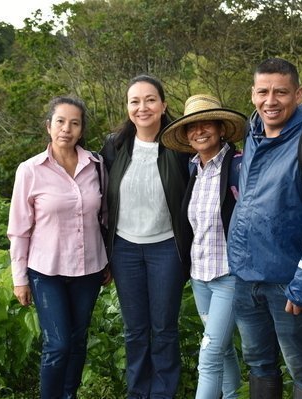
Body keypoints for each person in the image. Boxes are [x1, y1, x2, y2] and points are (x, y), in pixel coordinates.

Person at [226, 58, 302, 398]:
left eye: (280, 92)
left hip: (289, 281)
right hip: (246, 279)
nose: (271, 100)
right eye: (263, 92)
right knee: (259, 364)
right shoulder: (252, 134)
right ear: (252, 94)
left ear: (298, 93)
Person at [7, 95, 111, 399]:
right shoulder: (30, 170)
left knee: (78, 341)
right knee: (59, 344)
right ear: (49, 126)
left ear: (81, 129)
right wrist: (19, 278)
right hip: (46, 271)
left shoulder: (96, 165)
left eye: (74, 123)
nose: (67, 128)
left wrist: (108, 260)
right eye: (61, 121)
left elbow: (104, 217)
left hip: (89, 269)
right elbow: (18, 229)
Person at [99, 75, 190, 399]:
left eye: (150, 99)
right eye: (135, 101)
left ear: (164, 105)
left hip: (166, 248)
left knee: (164, 328)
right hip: (125, 250)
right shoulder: (115, 146)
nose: (143, 107)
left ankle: (163, 392)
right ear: (127, 107)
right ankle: (138, 392)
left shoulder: (180, 147)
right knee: (135, 330)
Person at [160, 94, 246, 399]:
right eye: (192, 126)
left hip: (229, 277)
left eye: (206, 123)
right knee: (221, 351)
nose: (199, 131)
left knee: (208, 355)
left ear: (221, 127)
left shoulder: (239, 166)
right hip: (201, 278)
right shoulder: (194, 170)